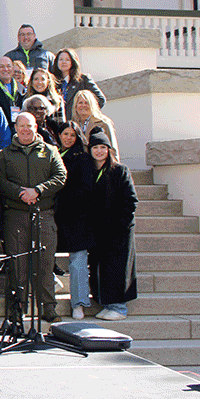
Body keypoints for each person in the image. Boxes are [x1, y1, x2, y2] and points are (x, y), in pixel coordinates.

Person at [0, 112, 67, 322]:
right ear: (16, 128)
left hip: (43, 214)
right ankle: (18, 308)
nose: (26, 130)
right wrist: (20, 192)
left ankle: (48, 307)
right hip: (16, 215)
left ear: (36, 127)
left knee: (45, 263)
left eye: (30, 126)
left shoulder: (50, 151)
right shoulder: (5, 154)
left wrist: (37, 190)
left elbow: (61, 176)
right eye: (22, 126)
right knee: (17, 265)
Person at [87, 130, 138, 321]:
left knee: (118, 268)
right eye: (95, 147)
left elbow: (130, 201)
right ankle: (107, 304)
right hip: (99, 231)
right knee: (102, 267)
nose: (99, 151)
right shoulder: (89, 171)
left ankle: (119, 307)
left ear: (109, 150)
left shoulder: (120, 170)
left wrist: (119, 224)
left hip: (119, 231)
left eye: (103, 147)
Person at [53, 121, 93, 320]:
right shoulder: (53, 154)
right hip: (54, 214)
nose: (68, 138)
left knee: (77, 261)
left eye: (72, 135)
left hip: (77, 216)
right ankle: (51, 283)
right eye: (65, 134)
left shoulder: (83, 158)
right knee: (43, 255)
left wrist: (65, 199)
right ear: (59, 135)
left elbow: (86, 187)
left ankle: (79, 303)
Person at [52, 48, 106, 120]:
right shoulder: (53, 82)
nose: (64, 62)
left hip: (78, 124)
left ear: (72, 62)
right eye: (61, 59)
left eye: (67, 60)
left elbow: (100, 99)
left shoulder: (83, 80)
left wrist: (85, 115)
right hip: (61, 126)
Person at [70, 89, 119, 159]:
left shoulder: (103, 123)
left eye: (87, 103)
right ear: (75, 106)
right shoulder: (72, 125)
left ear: (92, 105)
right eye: (80, 103)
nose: (83, 105)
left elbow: (113, 150)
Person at [0, 56, 25, 123]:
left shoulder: (21, 88)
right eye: (2, 67)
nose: (5, 69)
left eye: (8, 66)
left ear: (13, 69)